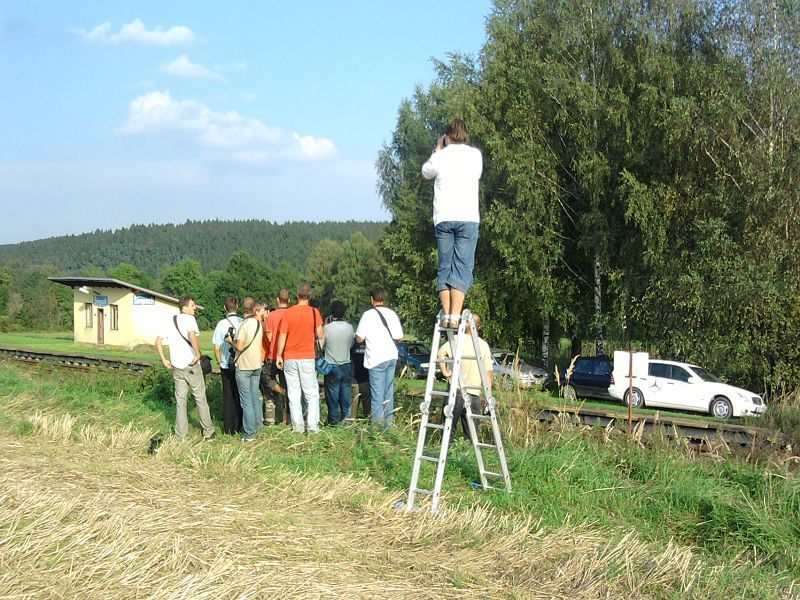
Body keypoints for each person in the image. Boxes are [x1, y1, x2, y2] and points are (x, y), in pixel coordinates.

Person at [421, 117, 483, 329]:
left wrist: (438, 149)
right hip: (468, 217)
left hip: (444, 217)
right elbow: (478, 174)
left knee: (445, 266)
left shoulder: (441, 156)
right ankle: (455, 317)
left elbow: (426, 172)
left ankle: (448, 315)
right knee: (462, 266)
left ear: (447, 136)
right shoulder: (475, 155)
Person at [155, 296, 216, 441]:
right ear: (185, 307)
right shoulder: (189, 319)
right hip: (191, 365)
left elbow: (158, 341)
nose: (195, 308)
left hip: (177, 366)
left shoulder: (171, 320)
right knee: (200, 398)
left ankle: (180, 435)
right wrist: (198, 354)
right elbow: (191, 335)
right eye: (193, 305)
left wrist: (164, 359)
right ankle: (208, 431)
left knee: (180, 402)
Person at [437, 313, 493, 445]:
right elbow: (488, 374)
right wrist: (488, 397)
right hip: (473, 394)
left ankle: (444, 453)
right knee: (472, 432)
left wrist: (445, 372)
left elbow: (440, 353)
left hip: (455, 391)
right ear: (479, 327)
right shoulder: (483, 345)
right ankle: (470, 458)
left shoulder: (456, 340)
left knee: (448, 428)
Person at [275, 283, 324, 434]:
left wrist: (279, 355)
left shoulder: (288, 313)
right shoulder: (314, 313)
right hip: (307, 356)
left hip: (290, 357)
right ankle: (313, 427)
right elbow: (320, 335)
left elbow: (282, 336)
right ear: (310, 297)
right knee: (311, 393)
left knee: (294, 393)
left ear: (297, 297)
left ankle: (297, 427)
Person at [355, 285, 403, 428]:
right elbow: (399, 336)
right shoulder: (392, 314)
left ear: (372, 299)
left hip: (376, 359)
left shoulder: (368, 315)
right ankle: (388, 427)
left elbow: (359, 339)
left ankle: (376, 430)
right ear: (383, 298)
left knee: (377, 395)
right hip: (391, 356)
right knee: (388, 393)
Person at [211, 295, 243, 435]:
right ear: (238, 307)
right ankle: (240, 424)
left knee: (228, 396)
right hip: (240, 363)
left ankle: (229, 428)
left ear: (225, 308)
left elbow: (216, 348)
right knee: (240, 395)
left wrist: (220, 361)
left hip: (226, 364)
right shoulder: (243, 322)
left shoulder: (221, 324)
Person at [233, 296, 263, 443]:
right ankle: (258, 426)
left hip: (244, 366)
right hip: (257, 365)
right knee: (255, 398)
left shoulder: (243, 325)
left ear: (242, 309)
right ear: (254, 309)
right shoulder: (258, 324)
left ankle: (249, 433)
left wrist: (229, 341)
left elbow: (239, 346)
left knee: (246, 401)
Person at [322, 300, 355, 425]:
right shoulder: (349, 327)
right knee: (346, 396)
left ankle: (334, 423)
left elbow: (321, 345)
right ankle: (347, 421)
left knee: (332, 398)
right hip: (346, 364)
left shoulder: (327, 328)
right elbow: (351, 344)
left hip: (331, 365)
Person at [263, 289, 290, 425]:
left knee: (266, 378)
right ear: (289, 300)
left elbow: (268, 336)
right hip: (288, 357)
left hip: (273, 356)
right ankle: (286, 420)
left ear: (277, 300)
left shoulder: (272, 316)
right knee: (288, 385)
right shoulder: (292, 314)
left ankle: (270, 417)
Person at [349, 339, 371, 420]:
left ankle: (350, 426)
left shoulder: (352, 342)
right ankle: (370, 425)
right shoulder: (370, 342)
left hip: (353, 377)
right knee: (368, 407)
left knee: (353, 405)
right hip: (366, 378)